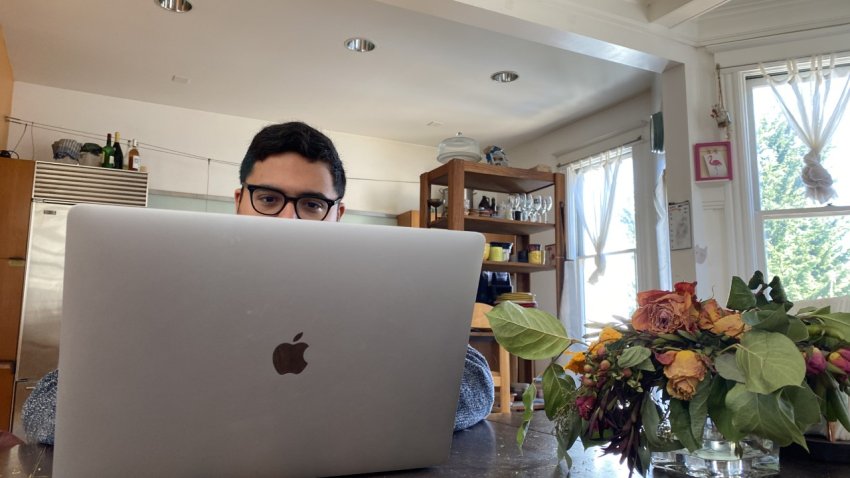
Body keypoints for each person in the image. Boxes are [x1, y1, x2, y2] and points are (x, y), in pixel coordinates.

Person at [22, 121, 494, 445]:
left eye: (311, 204)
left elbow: (475, 384)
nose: (288, 219)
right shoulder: (178, 285)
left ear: (338, 215)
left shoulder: (376, 291)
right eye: (269, 198)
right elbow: (43, 412)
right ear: (240, 200)